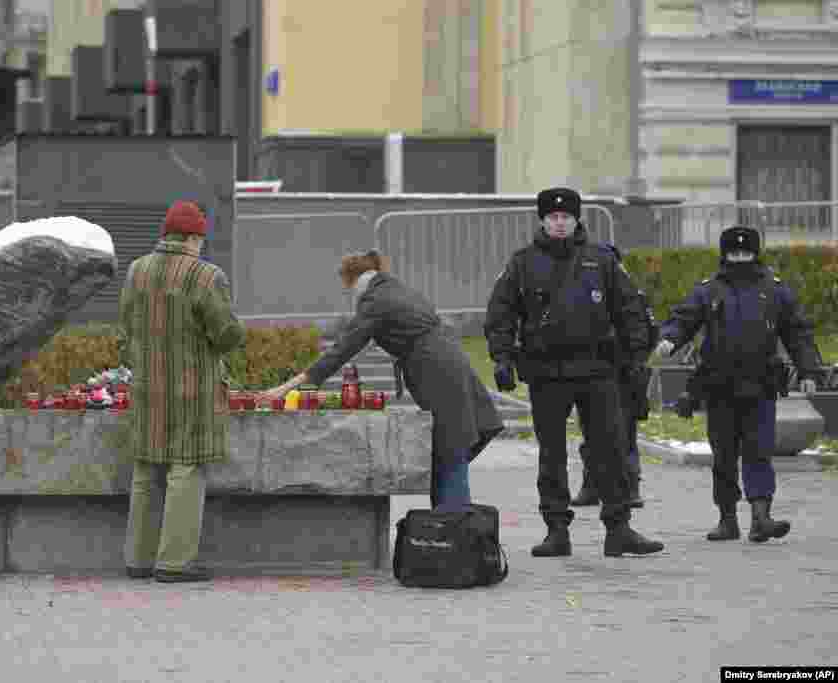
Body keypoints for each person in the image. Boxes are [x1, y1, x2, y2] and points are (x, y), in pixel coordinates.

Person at [484, 187, 664, 558]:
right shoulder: (523, 262)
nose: (560, 223)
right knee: (551, 454)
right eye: (553, 217)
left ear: (578, 219)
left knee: (609, 451)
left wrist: (635, 359)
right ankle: (556, 531)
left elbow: (629, 310)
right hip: (546, 371)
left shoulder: (602, 261)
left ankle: (619, 529)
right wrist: (502, 358)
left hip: (598, 369)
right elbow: (501, 314)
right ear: (543, 220)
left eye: (567, 217)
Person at [259, 249, 504, 511]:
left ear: (356, 280)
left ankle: (453, 520)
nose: (351, 295)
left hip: (436, 369)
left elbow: (342, 349)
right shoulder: (396, 289)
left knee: (451, 443)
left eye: (349, 288)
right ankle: (450, 518)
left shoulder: (375, 300)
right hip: (450, 361)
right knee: (453, 441)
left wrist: (290, 387)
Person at [654, 225, 820, 543]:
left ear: (755, 254)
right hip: (719, 386)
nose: (740, 258)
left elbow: (798, 333)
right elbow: (684, 319)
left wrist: (809, 372)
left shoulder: (774, 289)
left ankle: (761, 517)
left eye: (746, 253)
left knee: (759, 451)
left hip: (762, 384)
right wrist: (669, 341)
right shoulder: (709, 289)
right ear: (724, 254)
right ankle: (727, 519)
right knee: (724, 455)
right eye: (734, 253)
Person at [120, 200, 246, 582]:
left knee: (145, 468)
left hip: (146, 386)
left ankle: (137, 560)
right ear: (193, 238)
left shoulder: (136, 271)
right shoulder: (206, 276)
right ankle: (174, 563)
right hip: (192, 389)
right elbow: (225, 334)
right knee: (185, 469)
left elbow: (125, 328)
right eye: (200, 239)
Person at [572, 245, 656, 509]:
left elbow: (649, 331)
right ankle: (591, 484)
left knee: (624, 432)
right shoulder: (585, 295)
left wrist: (635, 358)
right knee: (591, 431)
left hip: (624, 373)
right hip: (593, 371)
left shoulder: (633, 296)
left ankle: (630, 487)